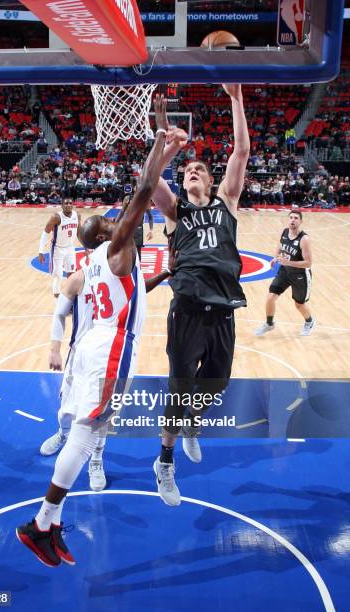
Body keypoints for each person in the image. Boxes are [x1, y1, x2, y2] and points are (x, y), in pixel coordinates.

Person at [16, 95, 170, 567]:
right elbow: (143, 190)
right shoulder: (118, 247)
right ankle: (41, 523)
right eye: (105, 221)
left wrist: (163, 277)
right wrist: (160, 137)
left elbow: (134, 287)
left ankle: (51, 523)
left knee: (85, 430)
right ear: (106, 234)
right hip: (111, 348)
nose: (111, 217)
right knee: (86, 434)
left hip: (93, 347)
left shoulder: (100, 262)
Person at [150, 84, 250, 506]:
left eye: (199, 169)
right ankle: (165, 462)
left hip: (224, 308)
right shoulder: (177, 211)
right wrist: (166, 145)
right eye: (187, 169)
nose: (192, 171)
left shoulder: (226, 201)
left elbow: (240, 154)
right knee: (180, 386)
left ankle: (193, 422)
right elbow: (150, 179)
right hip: (188, 306)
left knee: (217, 382)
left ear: (211, 180)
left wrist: (236, 97)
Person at [40, 249, 176, 492]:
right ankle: (63, 433)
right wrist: (54, 349)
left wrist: (166, 272)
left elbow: (139, 290)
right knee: (66, 410)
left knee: (101, 417)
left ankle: (96, 460)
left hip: (106, 356)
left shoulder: (116, 278)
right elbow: (59, 314)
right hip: (80, 354)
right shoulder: (78, 278)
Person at [255, 210, 315, 337]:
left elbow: (308, 263)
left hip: (300, 275)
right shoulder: (285, 232)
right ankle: (269, 323)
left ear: (301, 221)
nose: (293, 220)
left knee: (299, 304)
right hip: (285, 271)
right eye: (291, 217)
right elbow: (280, 245)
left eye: (296, 218)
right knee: (270, 297)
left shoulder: (304, 239)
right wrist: (275, 257)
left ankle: (309, 322)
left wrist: (289, 263)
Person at [38, 198, 80, 299]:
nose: (68, 205)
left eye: (70, 203)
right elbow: (46, 232)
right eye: (66, 203)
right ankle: (58, 302)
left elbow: (79, 232)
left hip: (70, 248)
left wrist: (86, 247)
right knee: (58, 275)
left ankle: (70, 299)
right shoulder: (56, 217)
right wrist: (41, 251)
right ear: (62, 206)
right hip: (57, 249)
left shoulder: (77, 215)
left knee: (71, 274)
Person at [117, 186, 153, 260]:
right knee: (126, 250)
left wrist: (151, 230)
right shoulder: (128, 198)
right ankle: (127, 269)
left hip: (138, 229)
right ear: (134, 188)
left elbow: (150, 216)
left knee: (138, 251)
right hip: (127, 228)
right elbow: (121, 212)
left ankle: (138, 269)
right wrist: (115, 223)